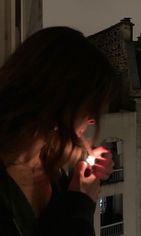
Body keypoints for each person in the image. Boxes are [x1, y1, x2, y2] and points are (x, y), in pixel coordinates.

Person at [0, 26, 117, 236]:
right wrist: (80, 208)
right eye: (88, 106)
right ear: (57, 99)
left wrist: (95, 168)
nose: (91, 119)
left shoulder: (51, 157)